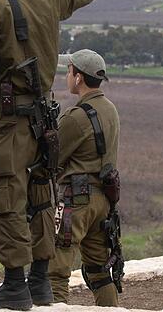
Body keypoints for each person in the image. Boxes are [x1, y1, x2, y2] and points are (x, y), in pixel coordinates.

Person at [0, 0, 112, 310]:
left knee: (5, 197)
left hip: (11, 123)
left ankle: (15, 284)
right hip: (44, 121)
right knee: (40, 198)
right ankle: (39, 282)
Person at [48, 49, 120, 306]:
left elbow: (52, 159)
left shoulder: (76, 116)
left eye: (69, 71)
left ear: (78, 78)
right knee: (99, 272)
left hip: (76, 202)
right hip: (104, 200)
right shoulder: (110, 109)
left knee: (55, 268)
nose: (67, 76)